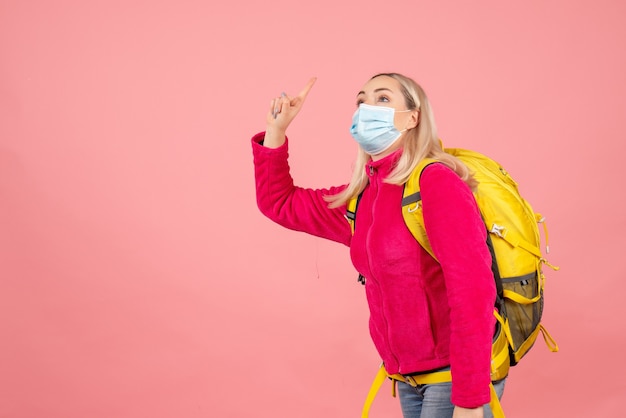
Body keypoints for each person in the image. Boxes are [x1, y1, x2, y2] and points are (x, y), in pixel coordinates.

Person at [251, 73, 505, 418]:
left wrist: (472, 398)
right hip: (408, 379)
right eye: (361, 100)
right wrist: (277, 133)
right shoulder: (361, 199)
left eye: (383, 99)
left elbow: (473, 290)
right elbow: (279, 203)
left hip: (454, 377)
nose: (367, 107)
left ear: (413, 117)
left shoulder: (436, 182)